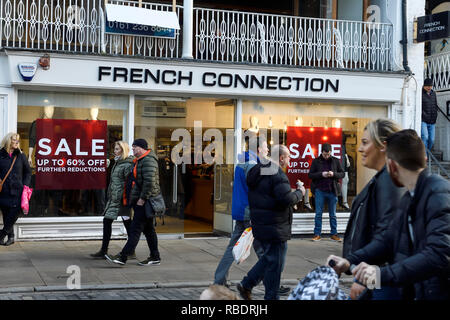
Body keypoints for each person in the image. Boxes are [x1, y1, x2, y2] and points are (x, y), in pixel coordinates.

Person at [328, 129, 450, 300]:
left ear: (391, 166)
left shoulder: (438, 191)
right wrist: (348, 262)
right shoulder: (410, 197)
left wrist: (379, 275)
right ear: (425, 159)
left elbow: (439, 254)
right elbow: (387, 241)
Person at [342, 119, 405, 300]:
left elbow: (388, 238)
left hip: (382, 280)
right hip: (378, 277)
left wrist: (365, 280)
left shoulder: (390, 181)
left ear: (383, 146)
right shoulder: (383, 178)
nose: (360, 149)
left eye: (365, 142)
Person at [237, 145, 305, 300]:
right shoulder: (278, 175)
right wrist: (299, 193)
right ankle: (253, 287)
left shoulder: (258, 170)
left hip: (262, 224)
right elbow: (285, 200)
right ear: (281, 158)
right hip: (275, 226)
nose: (289, 159)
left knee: (270, 259)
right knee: (275, 264)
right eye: (288, 157)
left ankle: (247, 284)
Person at [105, 138, 162, 266]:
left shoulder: (148, 161)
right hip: (140, 200)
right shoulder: (140, 160)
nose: (133, 149)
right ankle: (155, 256)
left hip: (144, 202)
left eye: (135, 147)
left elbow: (150, 182)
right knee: (148, 230)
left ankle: (123, 257)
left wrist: (142, 199)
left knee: (135, 229)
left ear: (141, 148)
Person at [90, 141, 134, 259]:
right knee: (110, 221)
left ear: (123, 150)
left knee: (126, 222)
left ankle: (129, 250)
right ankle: (104, 250)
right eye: (114, 149)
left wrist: (125, 198)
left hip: (121, 199)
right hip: (114, 198)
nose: (115, 151)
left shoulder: (127, 164)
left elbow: (128, 184)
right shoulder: (117, 162)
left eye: (117, 149)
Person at [308, 143, 345, 241]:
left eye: (328, 154)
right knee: (318, 213)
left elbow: (342, 174)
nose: (327, 156)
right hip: (320, 190)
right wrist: (321, 174)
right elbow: (310, 175)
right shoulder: (316, 161)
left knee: (332, 214)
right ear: (322, 152)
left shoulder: (335, 161)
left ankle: (334, 234)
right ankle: (317, 234)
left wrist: (333, 174)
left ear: (331, 152)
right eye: (325, 154)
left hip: (332, 191)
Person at [0, 133, 31, 246]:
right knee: (7, 214)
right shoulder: (0, 155)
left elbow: (28, 172)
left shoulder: (21, 156)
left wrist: (25, 185)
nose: (17, 142)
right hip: (3, 192)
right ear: (8, 141)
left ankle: (2, 234)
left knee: (14, 213)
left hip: (18, 191)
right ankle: (11, 236)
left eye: (18, 140)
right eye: (14, 140)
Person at [421, 78, 439, 152]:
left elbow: (435, 105)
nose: (429, 87)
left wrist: (435, 115)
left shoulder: (433, 93)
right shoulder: (421, 93)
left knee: (431, 139)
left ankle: (427, 155)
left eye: (430, 86)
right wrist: (423, 115)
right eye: (427, 86)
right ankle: (424, 155)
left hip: (432, 121)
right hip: (424, 120)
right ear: (424, 86)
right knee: (425, 137)